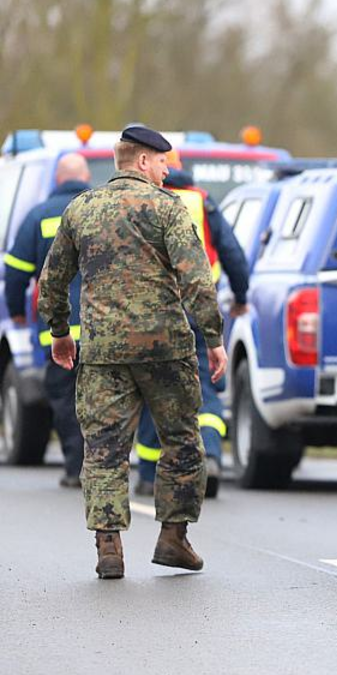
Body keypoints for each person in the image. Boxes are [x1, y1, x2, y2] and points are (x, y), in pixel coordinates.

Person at [39, 124, 227, 580]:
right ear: (143, 161)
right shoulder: (168, 208)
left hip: (104, 352)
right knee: (181, 441)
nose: (167, 172)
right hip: (166, 351)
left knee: (104, 448)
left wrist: (61, 333)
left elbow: (52, 281)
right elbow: (197, 280)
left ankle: (109, 548)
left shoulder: (81, 208)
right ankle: (173, 538)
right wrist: (214, 338)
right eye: (162, 162)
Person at [133, 150, 250, 500]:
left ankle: (149, 474)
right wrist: (240, 295)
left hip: (153, 311)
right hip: (198, 306)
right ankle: (210, 456)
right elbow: (232, 253)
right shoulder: (201, 201)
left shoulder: (142, 201)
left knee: (153, 387)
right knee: (206, 386)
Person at [4, 153, 89, 488]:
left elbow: (15, 272)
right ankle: (104, 468)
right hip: (104, 330)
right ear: (86, 178)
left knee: (65, 399)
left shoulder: (39, 215)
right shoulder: (102, 211)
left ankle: (76, 466)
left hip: (59, 333)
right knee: (102, 399)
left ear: (57, 179)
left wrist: (17, 311)